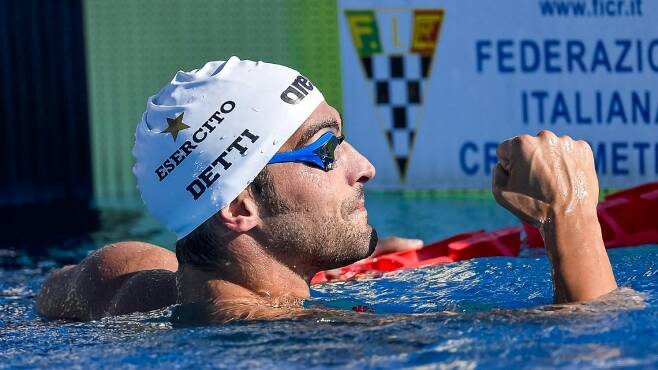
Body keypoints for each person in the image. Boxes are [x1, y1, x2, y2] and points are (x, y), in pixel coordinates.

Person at [35, 57, 618, 323]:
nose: (362, 167)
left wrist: (309, 256)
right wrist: (570, 215)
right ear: (241, 207)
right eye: (324, 149)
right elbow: (592, 346)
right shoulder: (316, 345)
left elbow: (55, 292)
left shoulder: (123, 279)